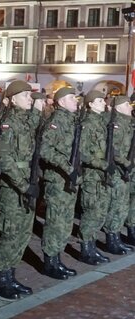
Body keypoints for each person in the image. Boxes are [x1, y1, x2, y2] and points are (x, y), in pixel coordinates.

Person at [0, 81, 41, 299]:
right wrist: (23, 186)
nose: (30, 100)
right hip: (12, 188)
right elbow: (4, 158)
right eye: (25, 96)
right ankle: (2, 279)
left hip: (28, 184)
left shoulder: (26, 122)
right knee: (10, 233)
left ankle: (11, 275)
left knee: (23, 233)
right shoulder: (8, 123)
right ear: (12, 99)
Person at [40, 86, 80, 280]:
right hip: (57, 180)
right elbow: (45, 150)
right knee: (55, 221)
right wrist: (66, 166)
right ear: (62, 101)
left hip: (69, 180)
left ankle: (57, 259)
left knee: (64, 222)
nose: (76, 101)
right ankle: (50, 262)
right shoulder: (56, 121)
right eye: (72, 98)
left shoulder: (72, 120)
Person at [78, 90, 112, 264]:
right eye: (99, 101)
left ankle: (92, 247)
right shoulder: (88, 124)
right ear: (90, 104)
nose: (104, 104)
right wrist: (100, 164)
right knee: (91, 213)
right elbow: (81, 153)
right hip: (92, 175)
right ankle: (86, 249)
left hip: (102, 175)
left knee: (99, 212)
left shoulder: (100, 122)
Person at [103, 95, 134, 254]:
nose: (130, 107)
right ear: (119, 107)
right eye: (127, 104)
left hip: (125, 171)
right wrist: (126, 163)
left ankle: (116, 238)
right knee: (116, 206)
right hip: (117, 171)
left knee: (122, 206)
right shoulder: (116, 124)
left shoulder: (127, 122)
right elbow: (112, 150)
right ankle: (111, 239)